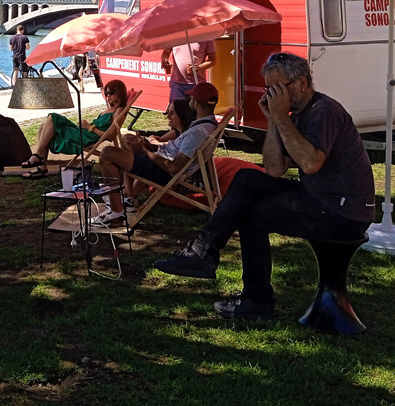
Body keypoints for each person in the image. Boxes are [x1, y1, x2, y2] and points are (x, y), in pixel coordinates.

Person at [153, 52, 375, 322]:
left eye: (277, 88)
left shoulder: (323, 111)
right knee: (248, 182)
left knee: (251, 207)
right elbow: (273, 168)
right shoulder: (296, 114)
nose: (271, 94)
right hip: (321, 199)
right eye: (267, 88)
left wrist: (281, 117)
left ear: (301, 83)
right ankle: (211, 259)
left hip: (344, 212)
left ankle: (234, 279)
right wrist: (272, 118)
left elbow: (310, 163)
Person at [97, 82, 221, 222]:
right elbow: (175, 148)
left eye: (191, 99)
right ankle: (128, 197)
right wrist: (152, 147)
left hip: (164, 172)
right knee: (128, 139)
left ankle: (116, 212)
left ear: (197, 103)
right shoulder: (206, 125)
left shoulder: (198, 133)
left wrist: (145, 151)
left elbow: (173, 167)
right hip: (162, 158)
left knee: (107, 154)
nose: (190, 101)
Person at [21, 79, 129, 178]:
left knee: (53, 117)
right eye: (106, 93)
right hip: (84, 132)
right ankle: (42, 167)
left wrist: (89, 127)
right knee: (43, 126)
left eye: (110, 92)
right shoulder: (112, 108)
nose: (107, 96)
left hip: (88, 137)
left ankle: (37, 156)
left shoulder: (119, 110)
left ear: (119, 92)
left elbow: (110, 136)